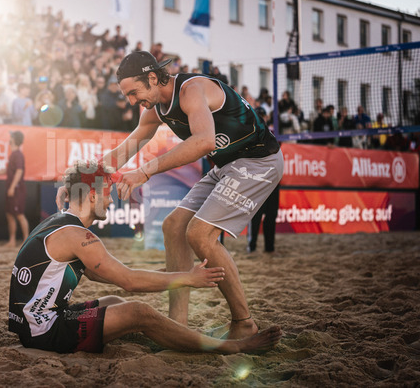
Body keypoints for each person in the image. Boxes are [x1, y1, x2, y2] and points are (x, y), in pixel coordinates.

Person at [56, 51, 283, 340]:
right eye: (127, 96)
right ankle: (180, 325)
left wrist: (145, 171)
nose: (131, 101)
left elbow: (204, 141)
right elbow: (123, 151)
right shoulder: (156, 108)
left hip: (259, 161)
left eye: (133, 93)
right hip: (227, 165)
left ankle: (244, 322)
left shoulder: (191, 90)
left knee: (199, 235)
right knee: (173, 227)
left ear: (152, 78)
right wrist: (77, 180)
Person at [12, 160, 282, 354]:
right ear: (92, 196)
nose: (111, 201)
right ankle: (234, 347)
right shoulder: (78, 236)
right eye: (107, 195)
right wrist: (187, 278)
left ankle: (173, 337)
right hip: (44, 331)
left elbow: (97, 274)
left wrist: (167, 274)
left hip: (34, 322)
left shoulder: (59, 222)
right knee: (140, 311)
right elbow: (129, 281)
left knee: (116, 302)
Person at [0, 130, 29, 248]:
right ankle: (12, 241)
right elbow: (9, 170)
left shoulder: (18, 154)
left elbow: (19, 171)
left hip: (17, 189)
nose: (9, 138)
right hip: (13, 188)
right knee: (9, 214)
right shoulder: (14, 154)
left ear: (14, 139)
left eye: (11, 136)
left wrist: (12, 187)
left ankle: (26, 241)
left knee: (19, 215)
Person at [247, 184, 280, 253]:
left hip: (273, 186)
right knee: (255, 217)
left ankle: (269, 247)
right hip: (259, 186)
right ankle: (251, 247)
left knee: (271, 217)